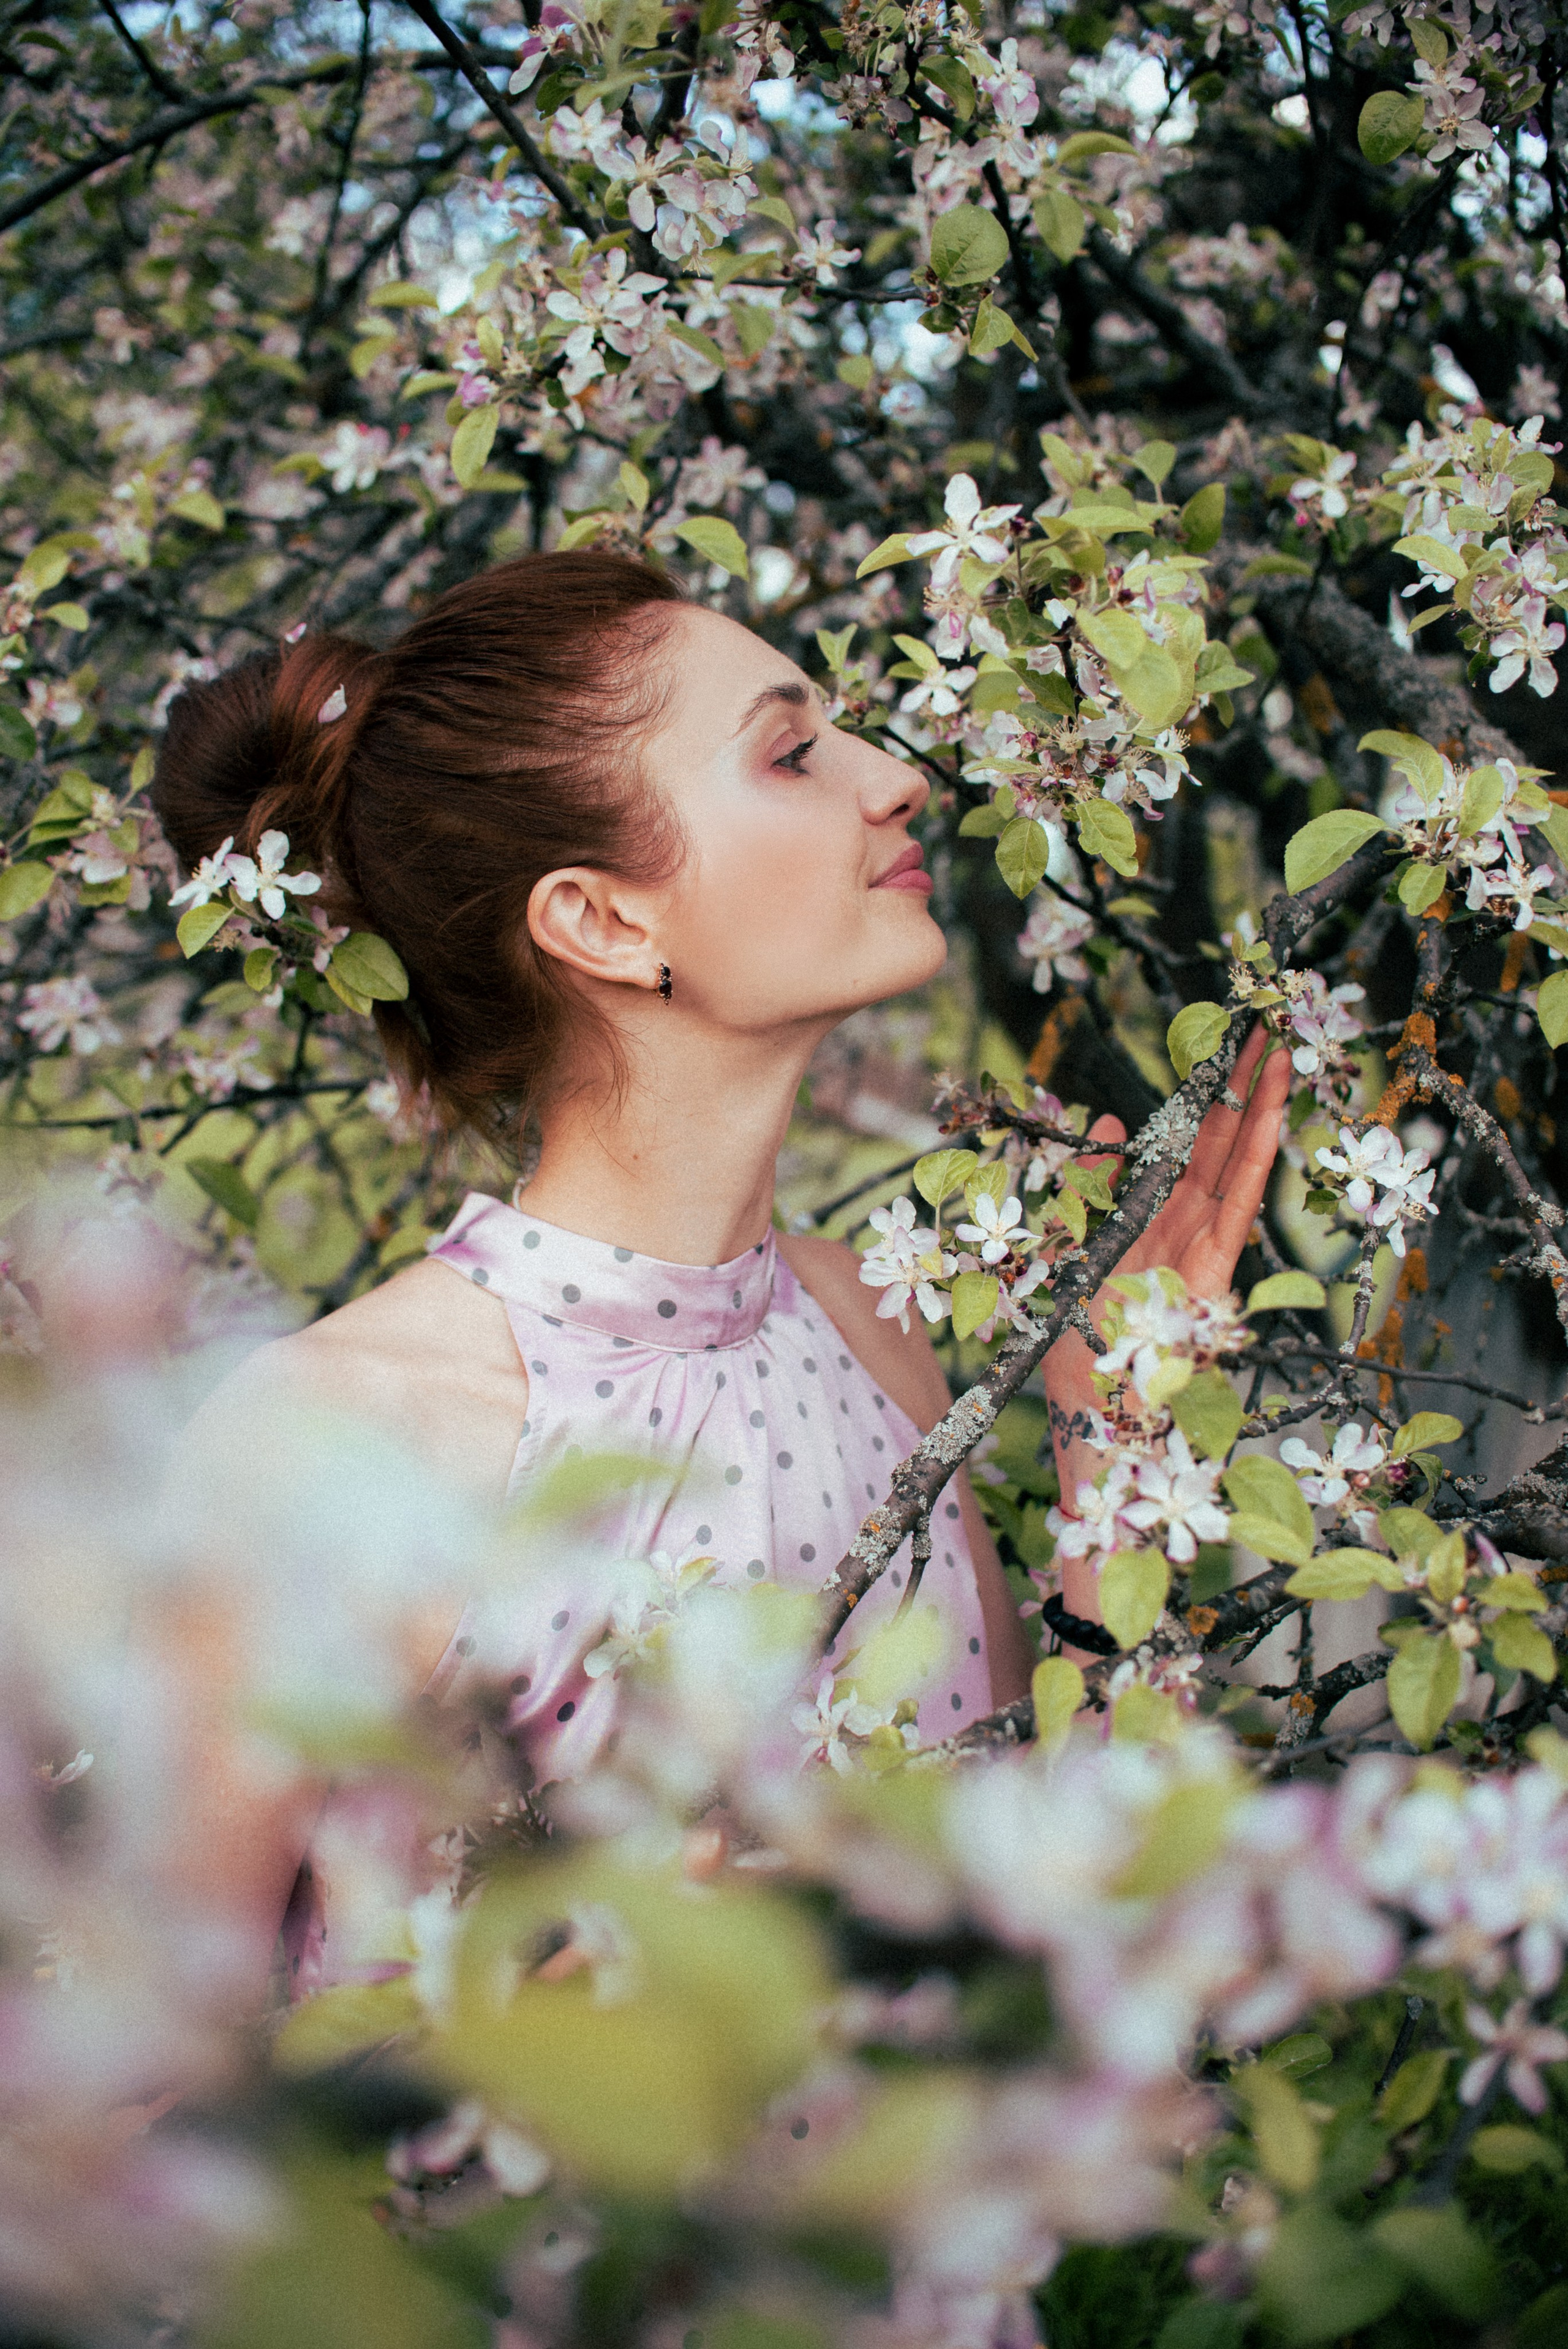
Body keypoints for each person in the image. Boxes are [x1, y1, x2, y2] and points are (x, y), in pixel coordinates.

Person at [151, 550, 1289, 1998]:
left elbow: (1057, 1933)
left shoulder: (864, 1323)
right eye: (791, 754)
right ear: (604, 921)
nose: (896, 780)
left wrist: (1109, 1447)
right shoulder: (326, 1444)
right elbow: (142, 2093)